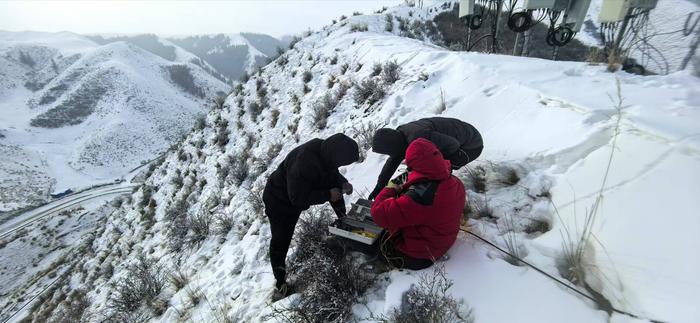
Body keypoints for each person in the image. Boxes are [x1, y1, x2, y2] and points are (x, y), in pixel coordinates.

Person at [263, 133, 359, 298]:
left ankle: (346, 226)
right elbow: (297, 198)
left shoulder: (325, 150)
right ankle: (281, 284)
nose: (341, 165)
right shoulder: (303, 163)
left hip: (296, 191)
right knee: (281, 241)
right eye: (342, 162)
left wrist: (342, 182)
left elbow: (330, 173)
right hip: (279, 200)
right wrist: (328, 195)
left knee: (335, 188)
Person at [370, 138, 465, 269]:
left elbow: (378, 214)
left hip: (419, 256)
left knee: (372, 245)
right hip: (440, 241)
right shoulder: (455, 181)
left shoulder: (421, 197)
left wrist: (389, 189)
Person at [368, 117, 482, 200]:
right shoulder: (400, 136)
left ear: (394, 145)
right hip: (457, 138)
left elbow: (452, 145)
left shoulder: (419, 137)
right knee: (419, 170)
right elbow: (393, 160)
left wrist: (434, 163)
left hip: (470, 146)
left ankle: (442, 198)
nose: (392, 155)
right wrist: (380, 185)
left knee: (432, 171)